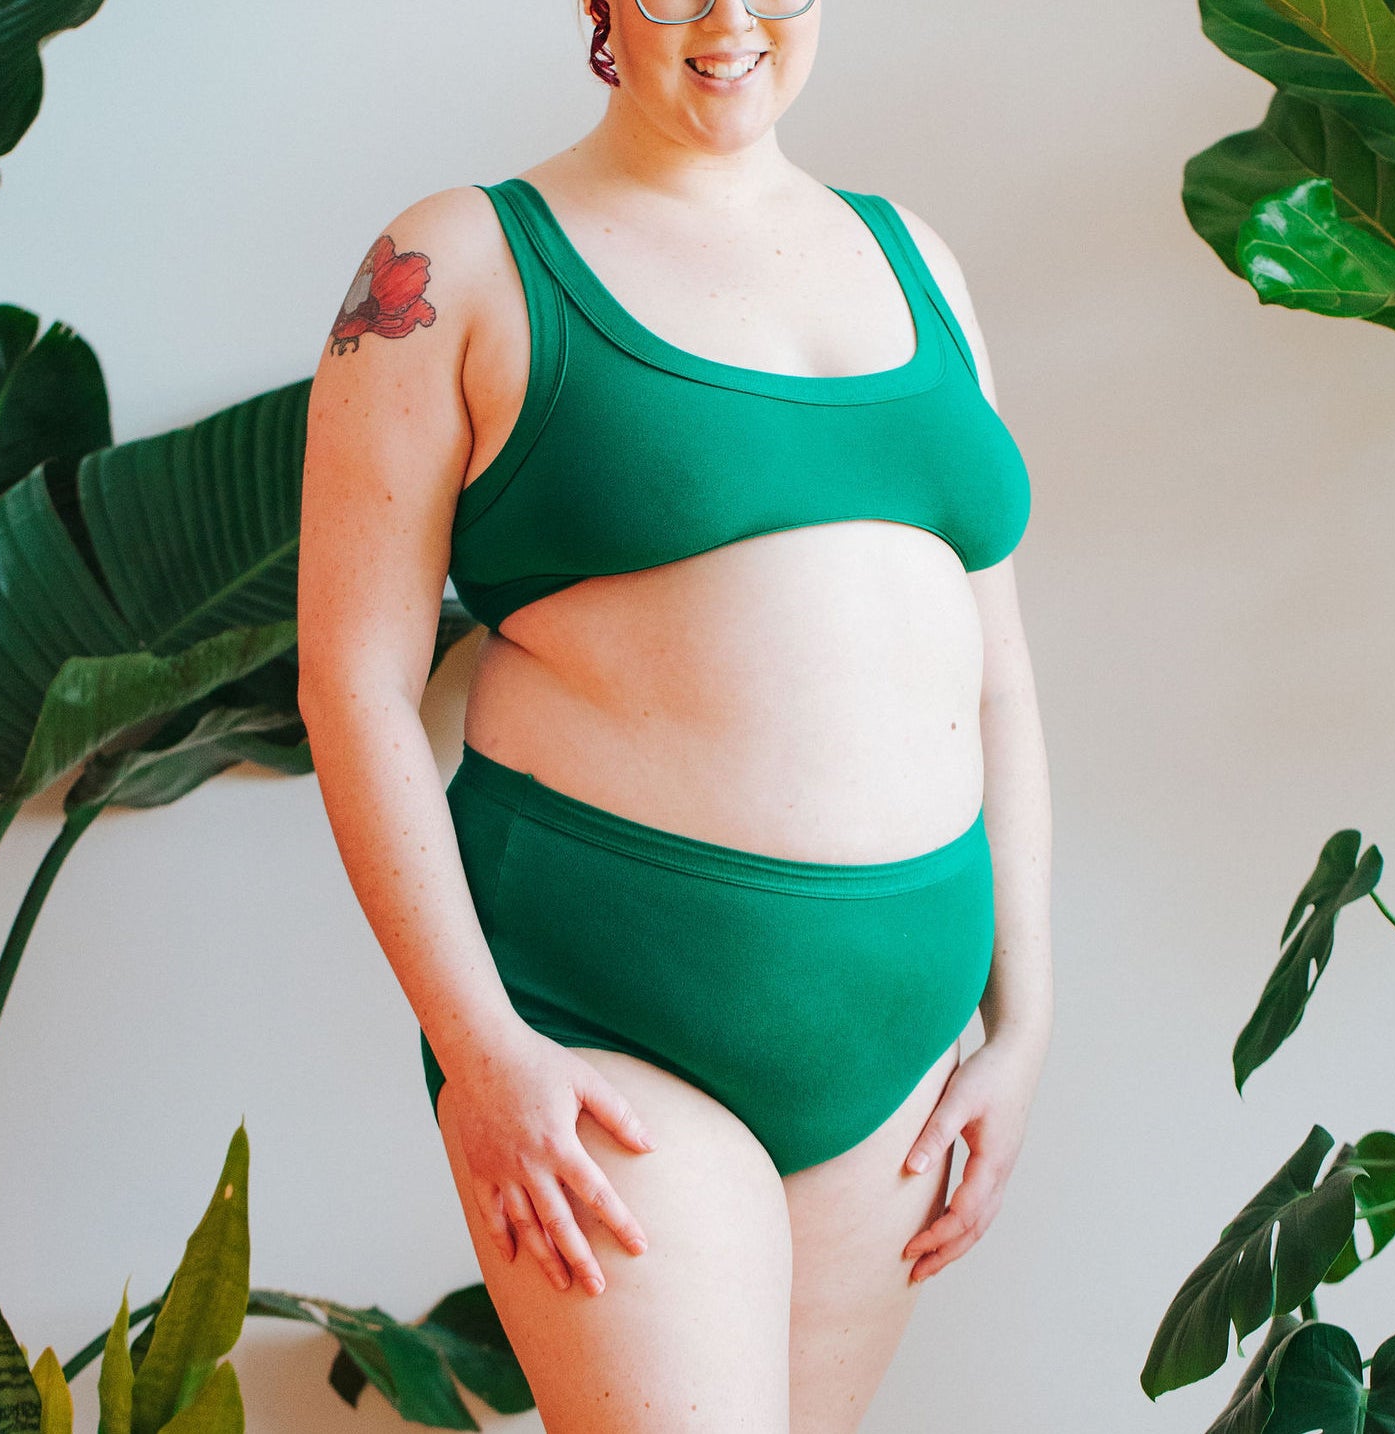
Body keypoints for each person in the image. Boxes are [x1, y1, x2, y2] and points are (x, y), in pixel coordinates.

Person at [297, 0, 1053, 1427]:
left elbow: (996, 673)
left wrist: (1021, 1025)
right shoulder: (456, 262)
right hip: (608, 1035)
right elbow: (351, 680)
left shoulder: (917, 259)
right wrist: (482, 1046)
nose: (729, 21)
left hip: (896, 1054)